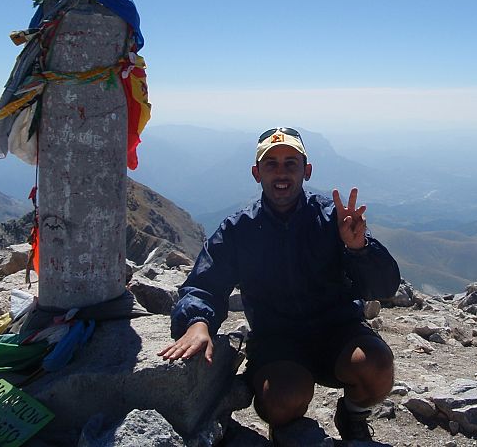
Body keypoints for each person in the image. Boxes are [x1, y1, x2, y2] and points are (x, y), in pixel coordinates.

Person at [158, 127, 400, 441]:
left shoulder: (332, 219)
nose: (281, 172)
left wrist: (359, 249)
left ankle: (352, 415)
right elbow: (204, 284)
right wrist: (198, 321)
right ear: (257, 173)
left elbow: (384, 287)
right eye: (271, 164)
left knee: (377, 367)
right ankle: (288, 432)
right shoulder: (239, 229)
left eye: (291, 163)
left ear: (306, 170)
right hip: (278, 340)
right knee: (281, 399)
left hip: (338, 331)